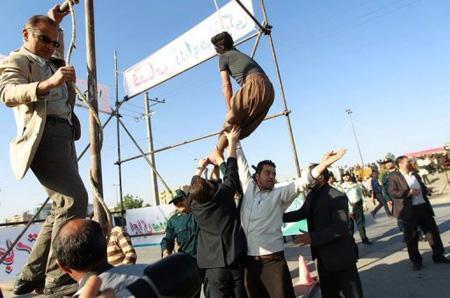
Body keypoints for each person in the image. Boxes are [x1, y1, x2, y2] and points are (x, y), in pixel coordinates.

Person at [0, 6, 88, 297]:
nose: (51, 46)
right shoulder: (18, 59)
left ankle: (31, 276)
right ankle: (57, 278)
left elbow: (54, 31)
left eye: (54, 41)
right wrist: (46, 84)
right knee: (75, 199)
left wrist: (58, 16)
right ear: (26, 35)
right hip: (44, 135)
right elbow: (8, 92)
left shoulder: (51, 54)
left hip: (64, 134)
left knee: (59, 208)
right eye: (44, 40)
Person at [236, 140, 346, 298]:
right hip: (250, 264)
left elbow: (302, 183)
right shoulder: (248, 190)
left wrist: (322, 165)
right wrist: (235, 140)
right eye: (267, 173)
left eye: (274, 174)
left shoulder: (279, 195)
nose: (271, 177)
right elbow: (241, 164)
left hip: (273, 263)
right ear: (257, 175)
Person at [284, 167, 363, 298]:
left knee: (353, 294)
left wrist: (313, 237)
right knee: (329, 294)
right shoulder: (311, 196)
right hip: (322, 260)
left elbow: (340, 227)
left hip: (341, 257)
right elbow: (301, 213)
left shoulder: (336, 196)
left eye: (310, 175)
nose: (307, 178)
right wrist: (277, 215)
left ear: (320, 177)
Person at [189, 126, 247, 298]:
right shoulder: (222, 194)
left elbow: (194, 184)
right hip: (235, 258)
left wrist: (200, 167)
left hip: (213, 265)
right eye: (208, 182)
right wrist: (231, 143)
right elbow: (231, 172)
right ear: (211, 190)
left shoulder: (194, 203)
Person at [209, 31, 274, 157]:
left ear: (221, 48)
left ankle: (216, 154)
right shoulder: (238, 54)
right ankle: (223, 154)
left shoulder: (223, 57)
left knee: (230, 123)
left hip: (253, 85)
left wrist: (229, 109)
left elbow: (226, 85)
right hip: (269, 91)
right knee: (240, 130)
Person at [53, 219, 148, 296]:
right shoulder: (149, 272)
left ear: (63, 267)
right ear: (106, 244)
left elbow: (131, 254)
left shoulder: (82, 294)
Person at [388, 156, 450, 271]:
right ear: (401, 164)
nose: (411, 163)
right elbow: (392, 192)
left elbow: (421, 187)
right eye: (408, 162)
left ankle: (438, 255)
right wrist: (408, 192)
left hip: (423, 208)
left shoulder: (415, 175)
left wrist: (426, 190)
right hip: (409, 211)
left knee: (433, 232)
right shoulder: (394, 177)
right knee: (412, 237)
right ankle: (416, 261)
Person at [341, 172, 372, 245]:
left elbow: (361, 195)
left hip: (357, 206)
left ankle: (364, 239)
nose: (346, 177)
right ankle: (351, 242)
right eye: (344, 176)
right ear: (342, 178)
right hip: (348, 208)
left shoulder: (355, 185)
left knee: (360, 224)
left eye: (347, 175)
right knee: (350, 226)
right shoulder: (341, 187)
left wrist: (364, 205)